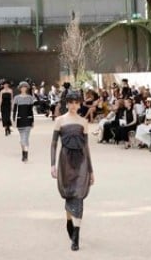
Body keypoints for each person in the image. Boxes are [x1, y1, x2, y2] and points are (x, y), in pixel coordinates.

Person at [51, 90, 94, 252]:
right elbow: (54, 144)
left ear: (80, 104)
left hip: (81, 162)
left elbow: (86, 147)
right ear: (67, 103)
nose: (74, 105)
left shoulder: (84, 122)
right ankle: (69, 220)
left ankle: (76, 236)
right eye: (71, 102)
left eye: (77, 102)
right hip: (65, 162)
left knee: (79, 196)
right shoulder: (59, 120)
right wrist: (52, 165)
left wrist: (91, 170)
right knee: (69, 194)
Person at [12, 81, 35, 161]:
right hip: (20, 119)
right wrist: (13, 120)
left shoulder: (30, 98)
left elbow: (31, 110)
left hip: (28, 119)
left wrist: (32, 121)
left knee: (26, 137)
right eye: (22, 87)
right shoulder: (16, 98)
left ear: (27, 88)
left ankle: (26, 155)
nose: (23, 88)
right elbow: (15, 110)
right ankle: (23, 153)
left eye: (25, 87)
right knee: (22, 139)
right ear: (20, 88)